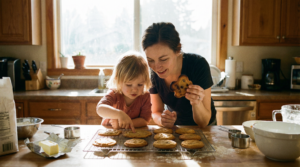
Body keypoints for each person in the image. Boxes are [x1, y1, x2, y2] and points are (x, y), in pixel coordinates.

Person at [142, 22, 217, 128]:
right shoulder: (153, 74)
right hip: (177, 128)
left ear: (177, 49)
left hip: (205, 129)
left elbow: (203, 122)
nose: (157, 67)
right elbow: (156, 111)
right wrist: (162, 120)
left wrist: (196, 103)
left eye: (163, 59)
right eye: (150, 60)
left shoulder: (198, 65)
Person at [96, 51, 152, 132]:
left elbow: (144, 120)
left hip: (133, 134)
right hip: (110, 133)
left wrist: (123, 124)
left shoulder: (145, 96)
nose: (135, 89)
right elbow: (100, 109)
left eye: (140, 85)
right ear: (118, 81)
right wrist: (119, 114)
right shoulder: (114, 93)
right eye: (129, 85)